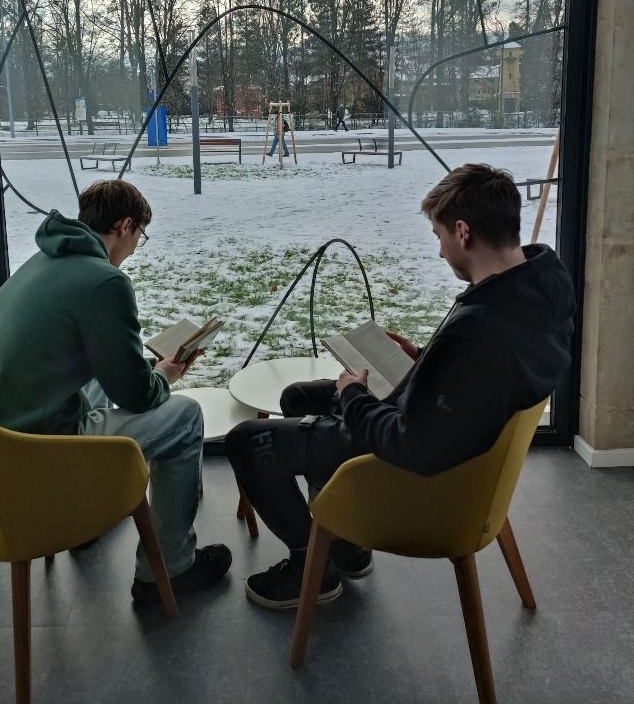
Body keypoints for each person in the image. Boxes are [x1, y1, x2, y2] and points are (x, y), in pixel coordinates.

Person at [226, 163, 574, 610]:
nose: (440, 251)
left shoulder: (477, 327)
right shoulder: (543, 280)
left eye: (439, 235)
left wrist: (353, 395)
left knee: (245, 441)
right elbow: (478, 371)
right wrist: (423, 358)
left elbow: (411, 443)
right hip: (463, 434)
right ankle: (347, 544)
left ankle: (312, 564)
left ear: (463, 232)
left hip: (418, 468)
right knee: (297, 397)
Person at [0, 179, 232, 605]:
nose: (136, 247)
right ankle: (169, 570)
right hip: (34, 456)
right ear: (125, 226)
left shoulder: (42, 262)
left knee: (96, 376)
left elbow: (85, 361)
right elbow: (139, 397)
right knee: (186, 417)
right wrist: (164, 376)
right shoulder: (104, 282)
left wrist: (141, 371)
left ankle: (92, 521)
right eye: (140, 235)